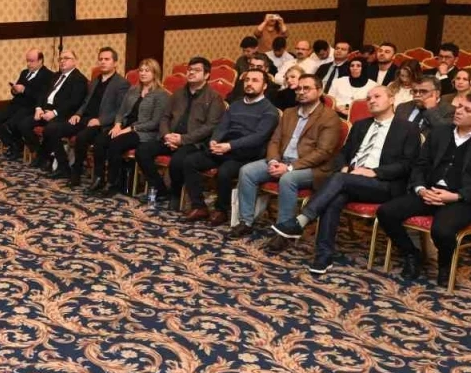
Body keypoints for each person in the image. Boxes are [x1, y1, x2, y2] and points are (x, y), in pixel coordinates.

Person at [271, 86, 420, 274]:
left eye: (377, 96)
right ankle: (323, 257)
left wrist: (374, 172)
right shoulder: (360, 125)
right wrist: (343, 166)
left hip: (384, 184)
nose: (371, 100)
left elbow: (408, 164)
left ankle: (302, 220)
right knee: (334, 198)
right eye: (368, 98)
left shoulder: (408, 128)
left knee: (339, 181)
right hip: (351, 180)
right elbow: (343, 153)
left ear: (391, 99)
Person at [377, 93, 471, 286]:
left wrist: (455, 196)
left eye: (467, 110)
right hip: (430, 192)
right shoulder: (440, 132)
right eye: (460, 106)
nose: (459, 111)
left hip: (464, 198)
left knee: (442, 230)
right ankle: (411, 254)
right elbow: (420, 165)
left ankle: (445, 266)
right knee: (386, 212)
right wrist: (421, 188)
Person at [230, 75, 341, 250]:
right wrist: (274, 160)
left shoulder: (329, 117)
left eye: (306, 88)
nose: (301, 92)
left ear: (319, 91)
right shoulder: (289, 113)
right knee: (247, 171)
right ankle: (246, 221)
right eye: (299, 88)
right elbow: (275, 140)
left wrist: (289, 167)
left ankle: (284, 232)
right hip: (282, 161)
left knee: (288, 179)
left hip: (313, 168)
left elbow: (323, 152)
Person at [180, 69, 279, 225]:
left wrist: (230, 146)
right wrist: (215, 140)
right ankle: (199, 206)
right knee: (189, 161)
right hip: (224, 148)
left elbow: (258, 138)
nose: (249, 83)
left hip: (247, 154)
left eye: (255, 80)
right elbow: (222, 126)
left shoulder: (269, 110)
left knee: (224, 171)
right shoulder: (235, 105)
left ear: (265, 86)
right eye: (247, 80)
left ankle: (221, 210)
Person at [140, 57, 224, 208]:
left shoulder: (214, 97)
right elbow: (165, 117)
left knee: (177, 161)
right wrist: (166, 135)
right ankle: (160, 189)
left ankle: (176, 193)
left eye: (196, 70)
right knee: (143, 150)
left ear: (206, 75)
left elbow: (210, 126)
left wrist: (182, 139)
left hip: (193, 142)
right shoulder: (178, 93)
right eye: (189, 69)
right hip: (170, 138)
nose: (191, 72)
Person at [41, 48, 128, 185]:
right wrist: (78, 113)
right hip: (84, 118)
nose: (103, 62)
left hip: (101, 123)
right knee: (52, 129)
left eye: (107, 59)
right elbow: (86, 101)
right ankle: (64, 166)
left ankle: (76, 173)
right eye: (101, 59)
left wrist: (100, 120)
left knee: (81, 137)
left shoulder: (121, 83)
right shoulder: (95, 80)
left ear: (115, 63)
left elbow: (121, 110)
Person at [89, 59, 170, 196]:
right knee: (101, 140)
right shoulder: (133, 89)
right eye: (141, 70)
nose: (143, 73)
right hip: (125, 127)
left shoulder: (161, 94)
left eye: (147, 71)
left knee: (115, 144)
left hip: (144, 132)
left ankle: (113, 183)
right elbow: (121, 111)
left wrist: (130, 128)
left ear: (155, 73)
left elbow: (155, 123)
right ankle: (99, 178)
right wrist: (117, 124)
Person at [24, 51, 88, 171]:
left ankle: (61, 164)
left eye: (66, 58)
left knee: (50, 129)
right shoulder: (56, 75)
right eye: (60, 59)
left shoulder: (79, 79)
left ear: (75, 61)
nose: (62, 61)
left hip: (63, 114)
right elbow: (43, 93)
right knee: (25, 124)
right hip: (45, 110)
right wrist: (38, 108)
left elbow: (74, 102)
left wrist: (54, 113)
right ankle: (43, 155)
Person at [0, 49, 55, 159]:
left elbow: (42, 97)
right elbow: (17, 90)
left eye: (32, 61)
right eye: (27, 61)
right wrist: (14, 90)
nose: (28, 64)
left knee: (12, 123)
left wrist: (24, 90)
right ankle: (14, 144)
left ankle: (17, 147)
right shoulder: (24, 72)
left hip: (31, 106)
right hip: (16, 104)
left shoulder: (48, 75)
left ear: (40, 61)